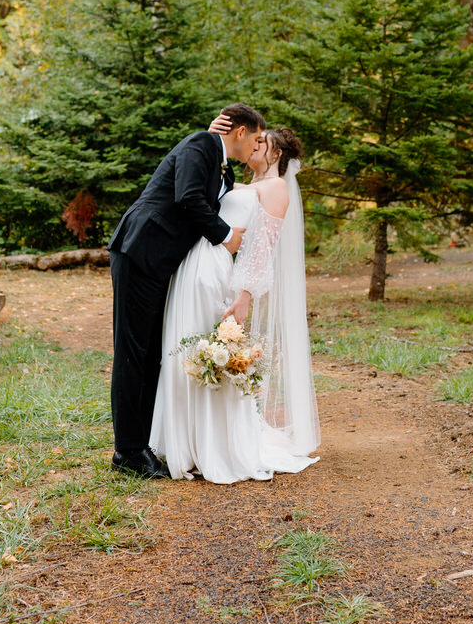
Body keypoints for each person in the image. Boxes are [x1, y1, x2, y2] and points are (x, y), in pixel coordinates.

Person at [149, 123, 320, 484]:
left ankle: (217, 443)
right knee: (186, 349)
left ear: (277, 154)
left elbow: (262, 250)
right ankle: (186, 440)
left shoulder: (275, 189)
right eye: (255, 139)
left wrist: (244, 296)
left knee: (209, 351)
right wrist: (214, 134)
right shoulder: (241, 185)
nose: (255, 145)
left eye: (264, 142)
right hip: (195, 267)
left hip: (220, 275)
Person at [108, 104, 267, 479]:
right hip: (140, 251)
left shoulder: (214, 154)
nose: (257, 147)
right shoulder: (200, 144)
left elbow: (208, 192)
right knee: (133, 352)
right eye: (256, 138)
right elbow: (189, 197)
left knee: (150, 355)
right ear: (240, 132)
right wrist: (228, 238)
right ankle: (127, 452)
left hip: (159, 262)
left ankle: (140, 444)